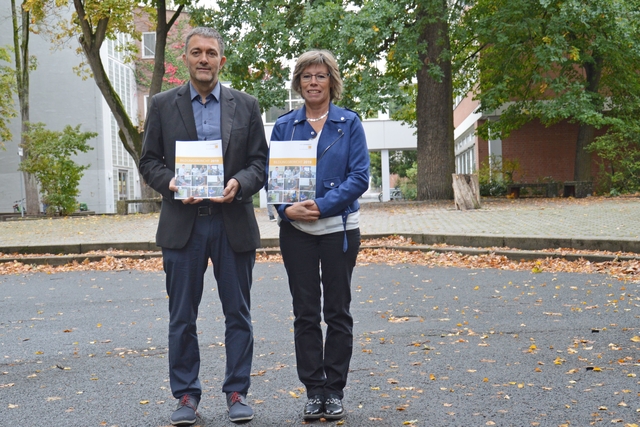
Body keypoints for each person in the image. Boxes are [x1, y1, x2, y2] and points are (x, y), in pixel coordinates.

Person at [139, 27, 268, 425]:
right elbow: (149, 162)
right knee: (182, 317)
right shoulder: (162, 104)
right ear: (186, 59)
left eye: (211, 53)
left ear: (221, 60)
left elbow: (259, 163)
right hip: (183, 226)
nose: (204, 59)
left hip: (232, 223)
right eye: (196, 52)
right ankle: (186, 396)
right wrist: (173, 184)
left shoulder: (246, 105)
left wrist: (239, 184)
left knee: (238, 315)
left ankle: (236, 392)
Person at [268, 49, 369, 421]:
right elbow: (272, 179)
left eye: (320, 75)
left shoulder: (349, 123)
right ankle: (314, 391)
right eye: (307, 76)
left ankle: (334, 390)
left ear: (331, 82)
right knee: (305, 313)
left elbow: (360, 176)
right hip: (296, 232)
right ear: (298, 82)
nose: (313, 81)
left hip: (339, 230)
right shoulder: (284, 126)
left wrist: (323, 205)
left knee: (338, 311)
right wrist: (284, 209)